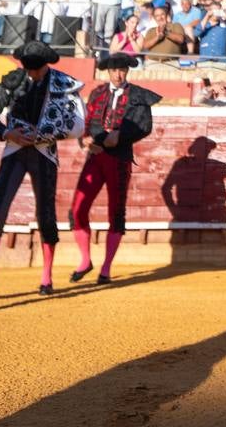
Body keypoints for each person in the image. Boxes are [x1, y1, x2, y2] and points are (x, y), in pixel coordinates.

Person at [0, 42, 85, 301]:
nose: (32, 74)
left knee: (45, 211)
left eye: (37, 69)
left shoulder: (63, 84)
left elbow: (76, 124)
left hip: (44, 153)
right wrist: (5, 132)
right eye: (29, 69)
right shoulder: (14, 80)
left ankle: (46, 278)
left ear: (47, 64)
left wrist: (46, 134)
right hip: (14, 149)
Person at [69, 53, 161, 284]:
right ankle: (85, 260)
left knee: (116, 212)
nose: (119, 74)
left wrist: (121, 136)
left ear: (127, 71)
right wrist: (84, 139)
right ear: (108, 71)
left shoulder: (138, 95)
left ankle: (106, 268)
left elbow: (145, 126)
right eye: (114, 70)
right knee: (77, 208)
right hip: (96, 156)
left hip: (119, 159)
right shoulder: (97, 93)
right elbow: (86, 123)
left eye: (122, 70)